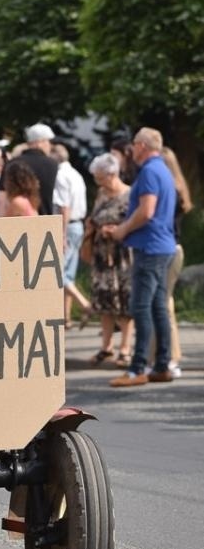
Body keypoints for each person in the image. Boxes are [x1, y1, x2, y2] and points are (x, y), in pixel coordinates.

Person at [103, 127, 177, 387]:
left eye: (134, 143)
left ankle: (137, 369)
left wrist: (122, 229)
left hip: (150, 246)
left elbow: (147, 211)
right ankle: (162, 365)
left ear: (143, 146)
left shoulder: (149, 172)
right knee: (157, 307)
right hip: (162, 245)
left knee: (141, 307)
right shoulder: (163, 169)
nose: (131, 148)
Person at [148, 147, 193, 377]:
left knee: (162, 306)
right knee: (165, 304)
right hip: (176, 249)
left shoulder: (166, 191)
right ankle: (164, 355)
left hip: (166, 250)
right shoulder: (178, 189)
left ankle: (166, 357)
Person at [85, 153, 133, 367]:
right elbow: (95, 217)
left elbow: (135, 222)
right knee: (104, 301)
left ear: (112, 174)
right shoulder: (102, 194)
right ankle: (106, 347)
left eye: (100, 177)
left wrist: (116, 230)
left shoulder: (130, 194)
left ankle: (125, 348)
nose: (98, 182)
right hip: (102, 255)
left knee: (123, 301)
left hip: (122, 254)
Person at [51, 143, 92, 327]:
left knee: (58, 274)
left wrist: (61, 232)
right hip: (77, 225)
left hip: (67, 226)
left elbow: (64, 206)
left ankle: (85, 304)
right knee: (69, 273)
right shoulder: (75, 174)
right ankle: (66, 316)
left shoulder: (60, 175)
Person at [0, 124, 58, 215]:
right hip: (47, 220)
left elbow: (2, 199)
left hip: (17, 220)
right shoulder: (53, 164)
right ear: (39, 142)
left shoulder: (12, 163)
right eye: (48, 141)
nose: (51, 145)